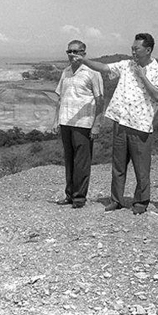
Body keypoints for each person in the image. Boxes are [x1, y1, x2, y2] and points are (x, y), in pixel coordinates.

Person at [71, 33, 158, 214]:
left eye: (136, 49)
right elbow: (105, 68)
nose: (133, 52)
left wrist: (143, 76)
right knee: (118, 166)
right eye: (132, 48)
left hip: (141, 126)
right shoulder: (126, 65)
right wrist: (84, 60)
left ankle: (141, 201)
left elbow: (157, 95)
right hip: (121, 122)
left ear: (148, 50)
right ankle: (116, 199)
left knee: (141, 168)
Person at [51, 40, 104, 208]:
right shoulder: (65, 72)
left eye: (76, 51)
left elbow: (100, 99)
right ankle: (69, 195)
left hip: (84, 123)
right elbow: (60, 98)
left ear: (84, 53)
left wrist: (97, 124)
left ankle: (79, 197)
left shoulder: (92, 72)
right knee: (69, 160)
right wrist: (55, 120)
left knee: (81, 161)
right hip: (66, 121)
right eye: (70, 51)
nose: (72, 55)